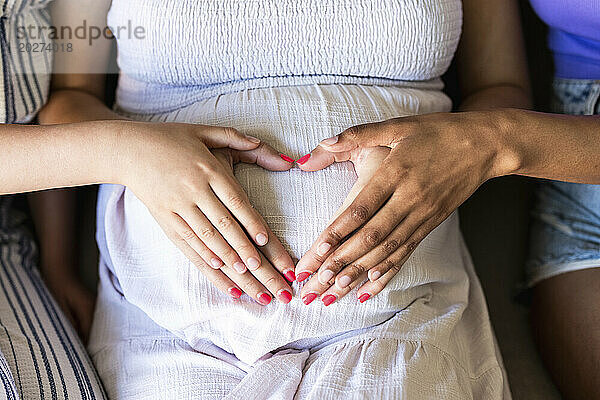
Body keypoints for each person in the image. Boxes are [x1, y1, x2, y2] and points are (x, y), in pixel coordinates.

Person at [43, 0, 530, 398]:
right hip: (172, 322)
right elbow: (68, 98)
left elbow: (502, 89)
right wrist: (137, 153)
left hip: (398, 312)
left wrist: (429, 146)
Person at [297, 0, 599, 399]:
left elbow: (493, 122)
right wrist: (454, 144)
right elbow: (499, 83)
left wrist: (489, 141)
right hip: (570, 153)